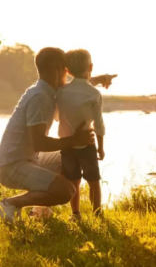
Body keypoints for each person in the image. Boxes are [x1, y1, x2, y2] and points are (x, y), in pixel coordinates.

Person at [0, 47, 116, 223]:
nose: (68, 73)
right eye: (66, 69)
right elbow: (39, 144)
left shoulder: (48, 89)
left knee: (68, 157)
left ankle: (39, 211)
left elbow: (79, 88)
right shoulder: (40, 97)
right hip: (10, 166)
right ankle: (10, 203)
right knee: (66, 191)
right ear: (59, 69)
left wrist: (101, 79)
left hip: (28, 159)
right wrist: (74, 139)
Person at [57, 49, 106, 219]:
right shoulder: (94, 93)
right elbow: (99, 125)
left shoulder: (61, 92)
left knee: (73, 182)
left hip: (67, 145)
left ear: (68, 71)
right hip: (87, 145)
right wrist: (101, 148)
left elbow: (57, 116)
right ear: (91, 66)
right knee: (93, 182)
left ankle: (75, 214)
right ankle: (97, 214)